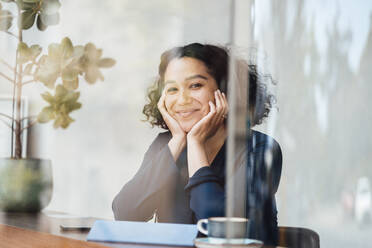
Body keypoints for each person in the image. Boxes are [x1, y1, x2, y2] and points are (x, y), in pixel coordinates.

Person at [112, 43, 282, 245]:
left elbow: (219, 229)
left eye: (195, 86)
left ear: (225, 91)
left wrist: (195, 144)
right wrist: (177, 142)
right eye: (172, 89)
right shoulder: (166, 144)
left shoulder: (260, 149)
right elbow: (126, 212)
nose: (182, 100)